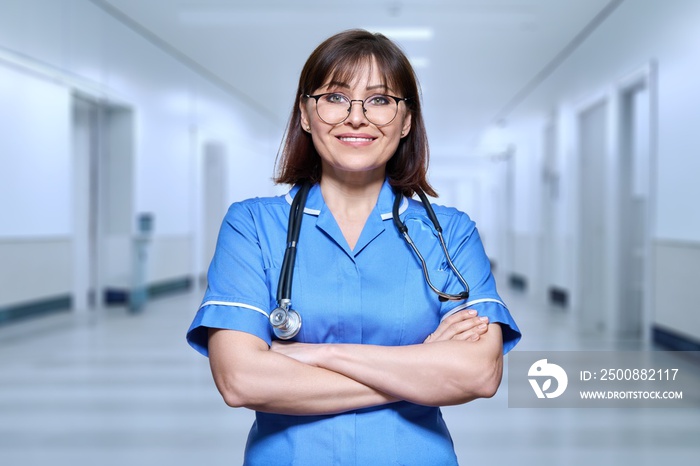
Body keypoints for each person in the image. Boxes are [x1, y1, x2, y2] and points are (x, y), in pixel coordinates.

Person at [187, 29, 521, 465]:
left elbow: (479, 373)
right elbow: (241, 380)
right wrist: (422, 365)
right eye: (335, 97)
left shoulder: (450, 232)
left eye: (380, 100)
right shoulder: (252, 224)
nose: (356, 117)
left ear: (405, 121)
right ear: (306, 114)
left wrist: (319, 354)